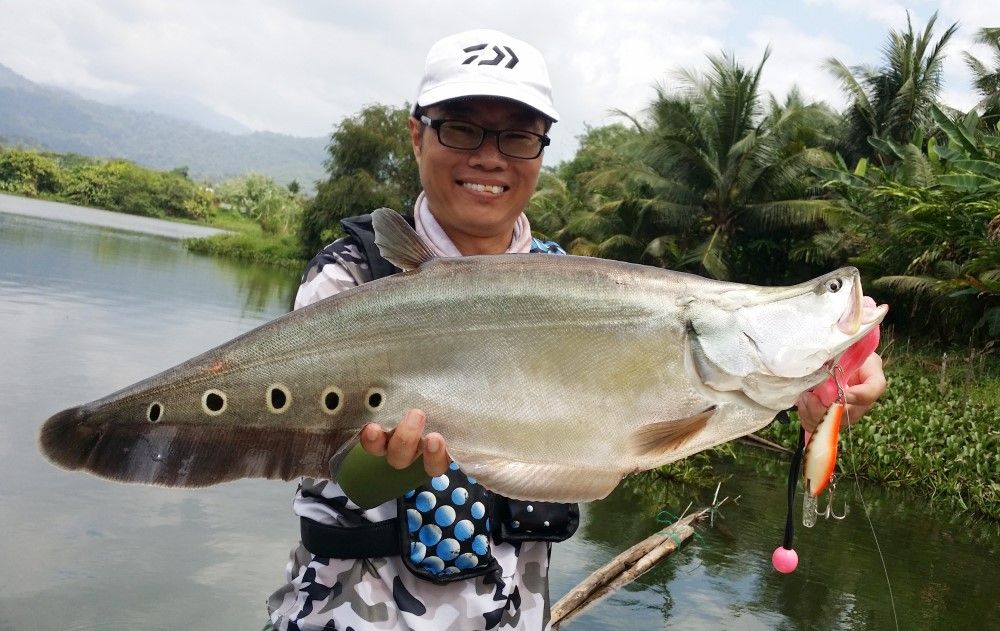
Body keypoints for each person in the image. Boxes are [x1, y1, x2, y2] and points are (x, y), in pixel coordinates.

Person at [267, 28, 887, 631]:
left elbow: (662, 410)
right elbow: (328, 465)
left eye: (517, 137)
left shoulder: (578, 283)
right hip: (352, 614)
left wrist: (813, 399)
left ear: (541, 149)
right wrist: (387, 465)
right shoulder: (351, 279)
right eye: (461, 128)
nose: (489, 157)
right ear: (416, 134)